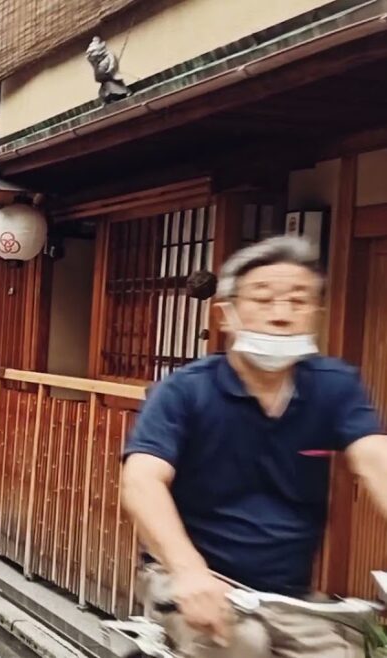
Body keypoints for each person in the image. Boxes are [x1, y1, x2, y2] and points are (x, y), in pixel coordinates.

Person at [122, 236, 387, 658]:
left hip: (287, 592)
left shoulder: (334, 386)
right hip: (188, 576)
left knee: (345, 652)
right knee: (243, 645)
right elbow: (141, 479)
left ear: (316, 314)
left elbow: (376, 459)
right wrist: (189, 571)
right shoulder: (185, 391)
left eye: (298, 301)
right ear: (226, 314)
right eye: (263, 299)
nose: (281, 315)